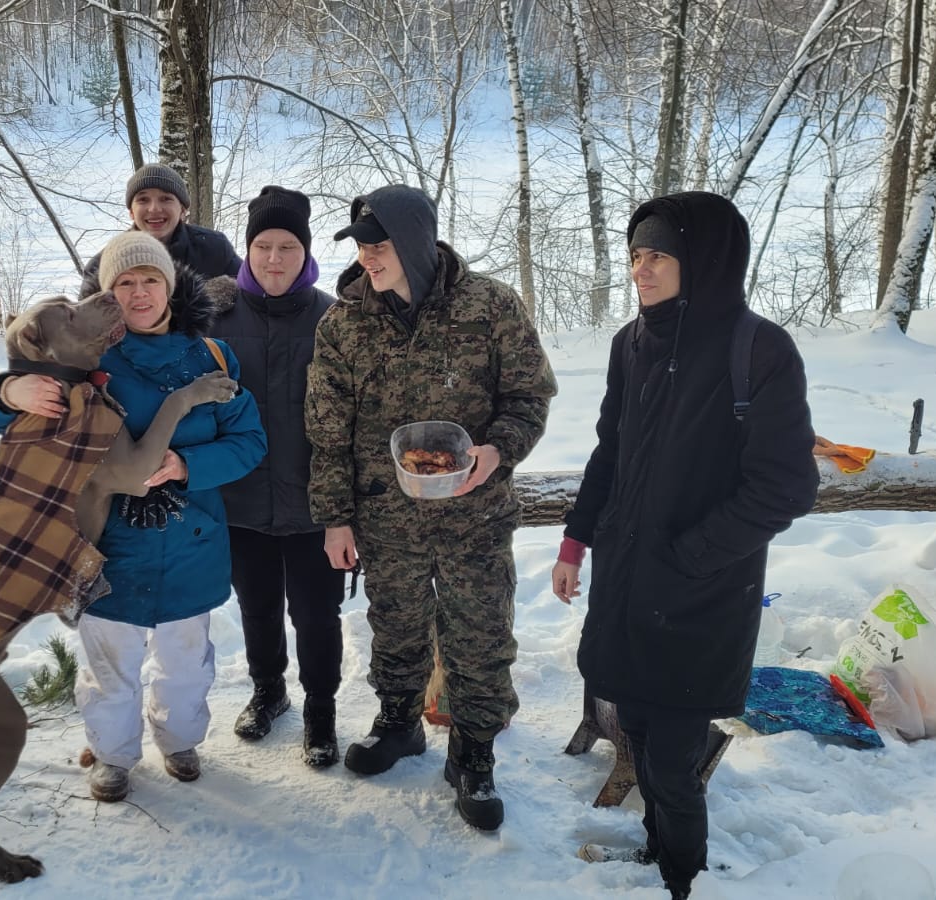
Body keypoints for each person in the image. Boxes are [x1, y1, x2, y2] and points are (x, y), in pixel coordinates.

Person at [551, 191, 817, 899]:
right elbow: (610, 452)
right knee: (637, 731)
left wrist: (691, 556)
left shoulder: (758, 350)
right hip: (627, 583)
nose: (640, 269)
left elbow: (786, 486)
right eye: (636, 254)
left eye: (659, 256)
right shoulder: (631, 342)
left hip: (703, 594)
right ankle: (656, 853)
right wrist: (576, 540)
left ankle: (681, 878)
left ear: (701, 262)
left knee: (671, 761)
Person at [0, 232, 266, 803]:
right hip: (108, 546)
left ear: (170, 286)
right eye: (125, 283)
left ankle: (179, 741)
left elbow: (249, 441)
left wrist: (187, 465)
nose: (139, 293)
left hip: (192, 539)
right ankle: (112, 755)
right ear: (108, 294)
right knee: (110, 665)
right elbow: (1, 416)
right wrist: (8, 392)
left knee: (187, 663)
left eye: (150, 280)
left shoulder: (212, 357)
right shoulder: (86, 356)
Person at [305, 184, 556, 830]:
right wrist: (335, 518)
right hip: (387, 516)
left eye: (379, 245)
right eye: (361, 246)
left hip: (475, 513)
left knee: (480, 631)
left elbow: (529, 396)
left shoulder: (489, 306)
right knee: (395, 624)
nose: (367, 257)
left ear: (416, 243)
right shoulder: (344, 325)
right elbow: (328, 433)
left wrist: (498, 451)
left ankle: (473, 751)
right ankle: (399, 721)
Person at [209, 186, 345, 767]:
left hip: (315, 501)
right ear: (247, 249)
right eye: (262, 245)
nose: (273, 258)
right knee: (257, 607)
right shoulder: (214, 318)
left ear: (305, 252)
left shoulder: (334, 318)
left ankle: (321, 709)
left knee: (317, 614)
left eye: (287, 246)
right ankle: (269, 691)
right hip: (240, 499)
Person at [78, 163, 241, 298]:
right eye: (143, 200)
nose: (154, 208)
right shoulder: (101, 266)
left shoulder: (214, 248)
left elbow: (249, 295)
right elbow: (86, 323)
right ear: (131, 212)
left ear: (182, 210)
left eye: (166, 199)